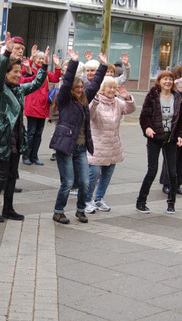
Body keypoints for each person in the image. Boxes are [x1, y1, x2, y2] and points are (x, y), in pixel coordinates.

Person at [0, 32, 48, 222]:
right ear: (6, 73)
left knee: (12, 176)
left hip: (16, 139)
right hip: (2, 139)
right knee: (2, 176)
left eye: (20, 73)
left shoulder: (19, 89)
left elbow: (37, 83)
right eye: (15, 72)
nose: (18, 75)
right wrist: (6, 54)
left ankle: (8, 209)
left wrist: (44, 66)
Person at [50, 49, 107, 224]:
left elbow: (95, 84)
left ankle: (80, 210)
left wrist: (103, 66)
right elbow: (66, 83)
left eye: (82, 87)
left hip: (81, 148)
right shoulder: (65, 100)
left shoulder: (84, 100)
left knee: (84, 182)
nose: (80, 90)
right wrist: (73, 63)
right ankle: (58, 211)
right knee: (67, 182)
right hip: (65, 147)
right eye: (77, 87)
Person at [136, 71, 182, 214]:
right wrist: (147, 128)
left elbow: (181, 119)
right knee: (152, 170)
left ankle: (171, 203)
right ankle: (141, 201)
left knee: (172, 172)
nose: (168, 82)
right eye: (165, 79)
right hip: (155, 138)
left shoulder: (177, 97)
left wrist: (180, 135)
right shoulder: (152, 95)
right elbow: (144, 116)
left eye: (170, 79)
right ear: (159, 81)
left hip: (171, 138)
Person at [85, 78, 135, 213]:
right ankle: (86, 200)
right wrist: (94, 102)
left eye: (114, 88)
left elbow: (130, 109)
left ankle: (99, 199)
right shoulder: (96, 100)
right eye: (109, 87)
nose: (112, 90)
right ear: (102, 89)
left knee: (107, 175)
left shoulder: (117, 102)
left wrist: (128, 98)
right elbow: (89, 115)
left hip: (113, 146)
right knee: (93, 174)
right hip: (97, 145)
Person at [23, 51, 61, 166]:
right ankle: (26, 156)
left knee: (38, 134)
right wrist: (31, 58)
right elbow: (24, 72)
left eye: (42, 59)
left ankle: (34, 156)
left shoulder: (45, 72)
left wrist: (57, 65)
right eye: (38, 59)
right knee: (31, 133)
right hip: (32, 106)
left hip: (43, 107)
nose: (40, 61)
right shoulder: (32, 71)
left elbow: (56, 78)